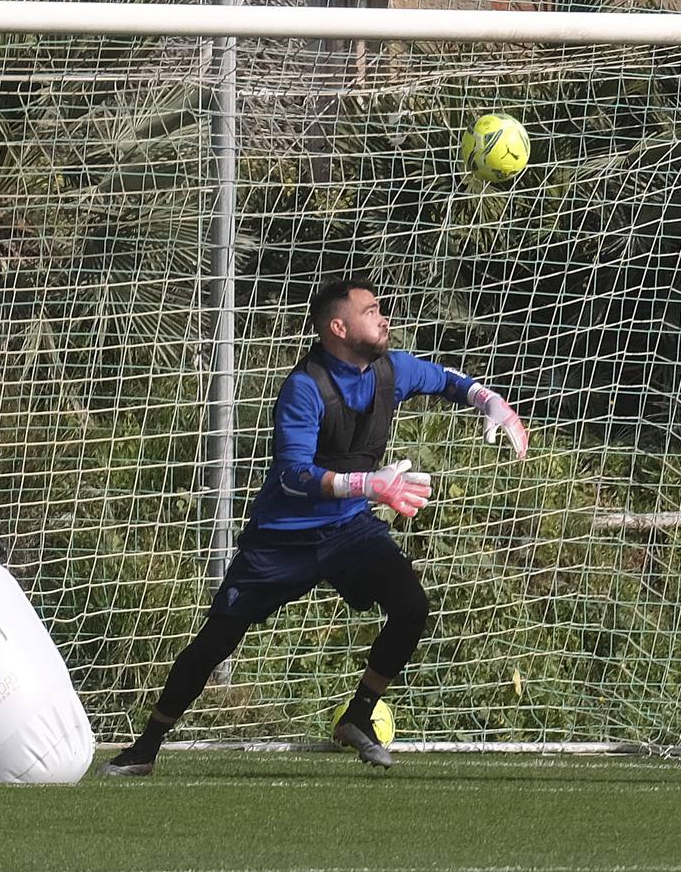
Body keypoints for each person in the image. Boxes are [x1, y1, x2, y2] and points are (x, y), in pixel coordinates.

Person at [96, 278, 528, 775]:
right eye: (371, 311)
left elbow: (448, 380)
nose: (383, 319)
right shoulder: (305, 387)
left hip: (349, 531)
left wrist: (489, 400)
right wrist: (367, 484)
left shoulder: (392, 370)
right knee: (215, 642)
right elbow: (294, 475)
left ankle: (358, 717)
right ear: (338, 327)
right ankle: (146, 748)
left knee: (411, 606)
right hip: (283, 539)